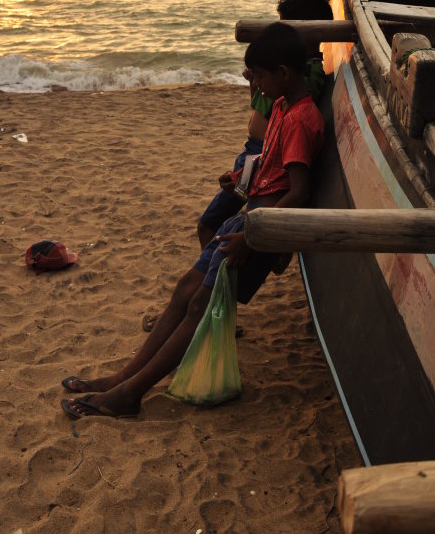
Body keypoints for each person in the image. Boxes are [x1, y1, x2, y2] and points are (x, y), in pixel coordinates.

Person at [61, 22, 325, 420]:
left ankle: (131, 392)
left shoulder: (303, 119)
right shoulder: (285, 108)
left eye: (260, 77)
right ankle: (121, 379)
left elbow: (299, 192)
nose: (257, 85)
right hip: (247, 218)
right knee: (185, 289)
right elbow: (273, 173)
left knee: (200, 304)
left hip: (256, 228)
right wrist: (239, 183)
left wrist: (252, 237)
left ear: (284, 74)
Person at [139, 0, 332, 333]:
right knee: (209, 225)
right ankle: (205, 302)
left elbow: (293, 150)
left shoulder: (307, 80)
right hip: (255, 157)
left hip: (267, 162)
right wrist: (256, 83)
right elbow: (262, 107)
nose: (280, 34)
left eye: (286, 29)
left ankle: (211, 306)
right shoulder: (280, 95)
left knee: (217, 227)